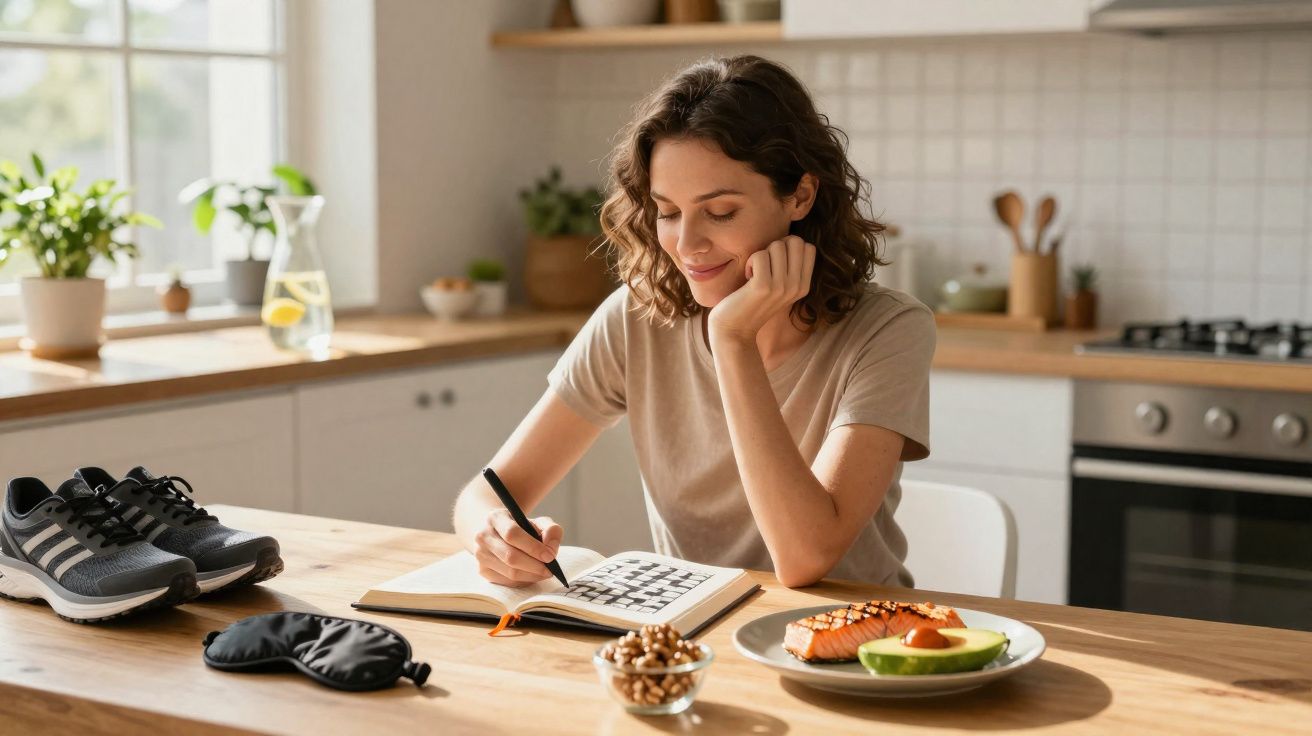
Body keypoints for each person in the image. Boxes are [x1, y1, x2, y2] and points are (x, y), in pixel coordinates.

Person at [453, 54, 934, 589]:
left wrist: (733, 339)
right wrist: (491, 533)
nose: (686, 244)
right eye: (668, 211)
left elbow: (804, 559)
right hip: (693, 626)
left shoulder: (890, 331)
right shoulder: (637, 317)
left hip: (851, 631)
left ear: (800, 195)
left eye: (720, 212)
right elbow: (488, 492)